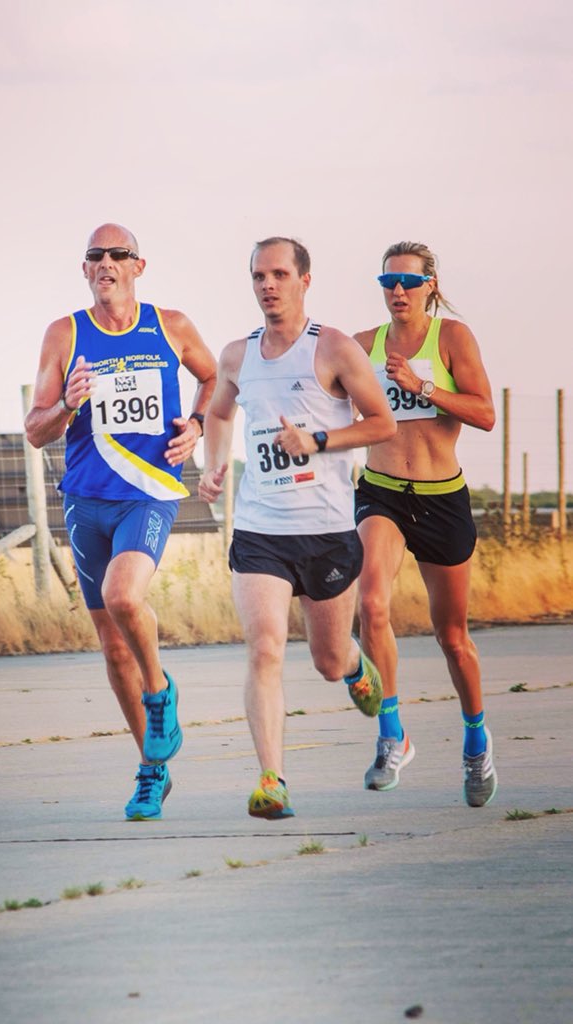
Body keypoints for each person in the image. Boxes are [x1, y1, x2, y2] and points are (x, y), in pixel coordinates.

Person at [197, 236, 396, 819]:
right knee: (264, 648)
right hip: (260, 530)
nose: (268, 285)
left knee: (328, 660)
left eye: (280, 274)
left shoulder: (332, 348)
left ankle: (358, 668)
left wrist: (318, 440)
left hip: (327, 532)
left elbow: (382, 423)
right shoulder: (238, 355)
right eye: (259, 275)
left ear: (304, 280)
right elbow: (217, 411)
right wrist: (212, 467)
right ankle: (272, 780)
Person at [25, 223, 217, 821]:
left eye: (118, 254)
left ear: (139, 265)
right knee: (112, 649)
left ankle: (160, 692)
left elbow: (214, 377)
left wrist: (199, 424)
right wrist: (66, 406)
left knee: (124, 597)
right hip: (87, 500)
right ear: (85, 269)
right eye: (95, 255)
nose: (106, 262)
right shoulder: (65, 334)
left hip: (150, 492)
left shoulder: (171, 326)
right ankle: (152, 770)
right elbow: (35, 430)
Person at [353, 241, 497, 807]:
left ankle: (476, 741)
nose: (398, 291)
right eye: (388, 281)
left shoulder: (452, 339)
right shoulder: (363, 346)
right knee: (370, 605)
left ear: (430, 286)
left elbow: (485, 413)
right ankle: (392, 736)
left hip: (442, 498)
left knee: (453, 638)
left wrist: (423, 387)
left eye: (409, 282)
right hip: (383, 492)